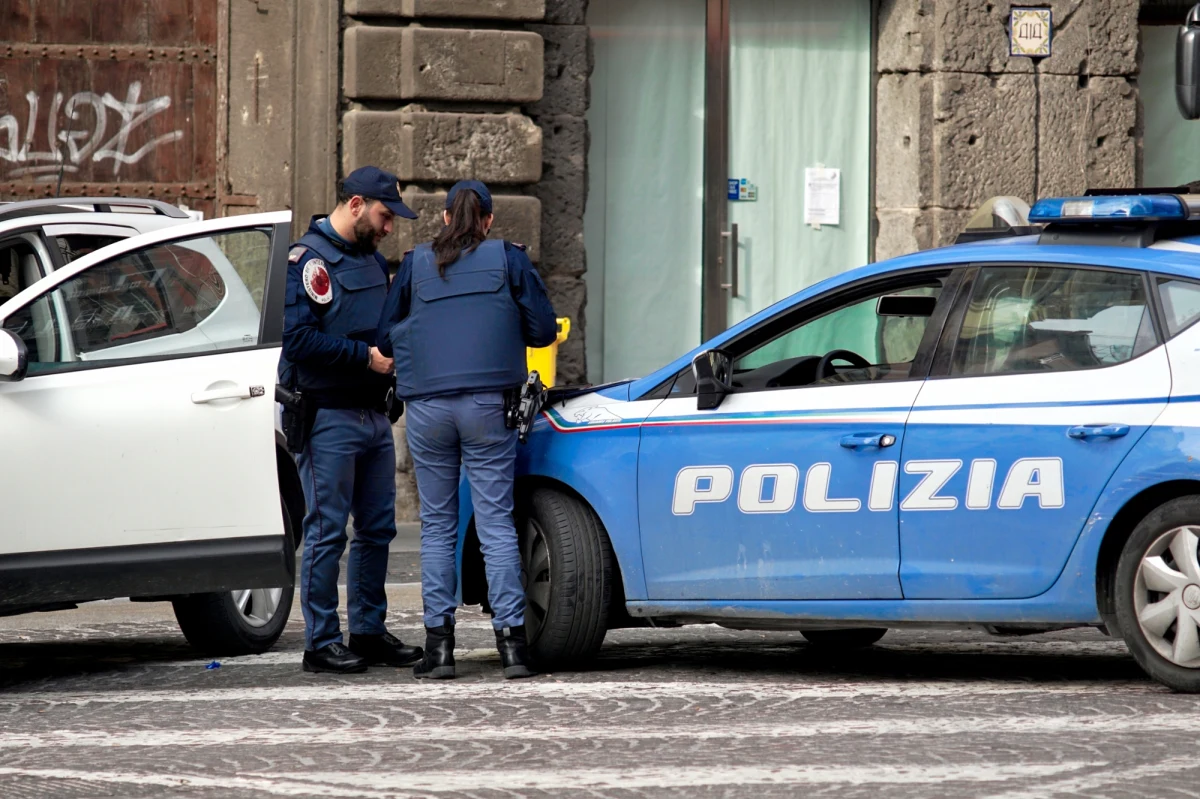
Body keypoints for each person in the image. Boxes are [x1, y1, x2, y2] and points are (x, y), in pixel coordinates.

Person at [377, 180, 558, 680]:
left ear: (442, 219)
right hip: (488, 404)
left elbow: (383, 335)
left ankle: (439, 650)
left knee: (437, 526)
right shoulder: (510, 259)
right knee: (496, 524)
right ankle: (513, 649)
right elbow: (542, 330)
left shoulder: (414, 264)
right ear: (489, 221)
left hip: (429, 408)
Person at [279, 165, 424, 674]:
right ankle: (320, 642)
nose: (389, 228)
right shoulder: (308, 259)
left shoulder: (369, 261)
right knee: (326, 531)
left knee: (378, 528)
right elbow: (297, 340)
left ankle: (367, 631)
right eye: (385, 216)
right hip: (328, 416)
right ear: (357, 204)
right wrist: (365, 359)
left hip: (372, 413)